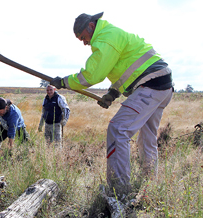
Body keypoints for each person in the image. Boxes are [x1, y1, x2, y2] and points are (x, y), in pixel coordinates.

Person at [50, 12, 173, 195]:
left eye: (83, 37)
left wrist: (64, 82)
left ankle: (119, 189)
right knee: (147, 139)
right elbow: (126, 69)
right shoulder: (111, 34)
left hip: (150, 86)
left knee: (118, 130)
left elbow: (92, 75)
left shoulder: (105, 39)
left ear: (91, 26)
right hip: (162, 86)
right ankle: (150, 185)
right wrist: (113, 93)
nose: (84, 43)